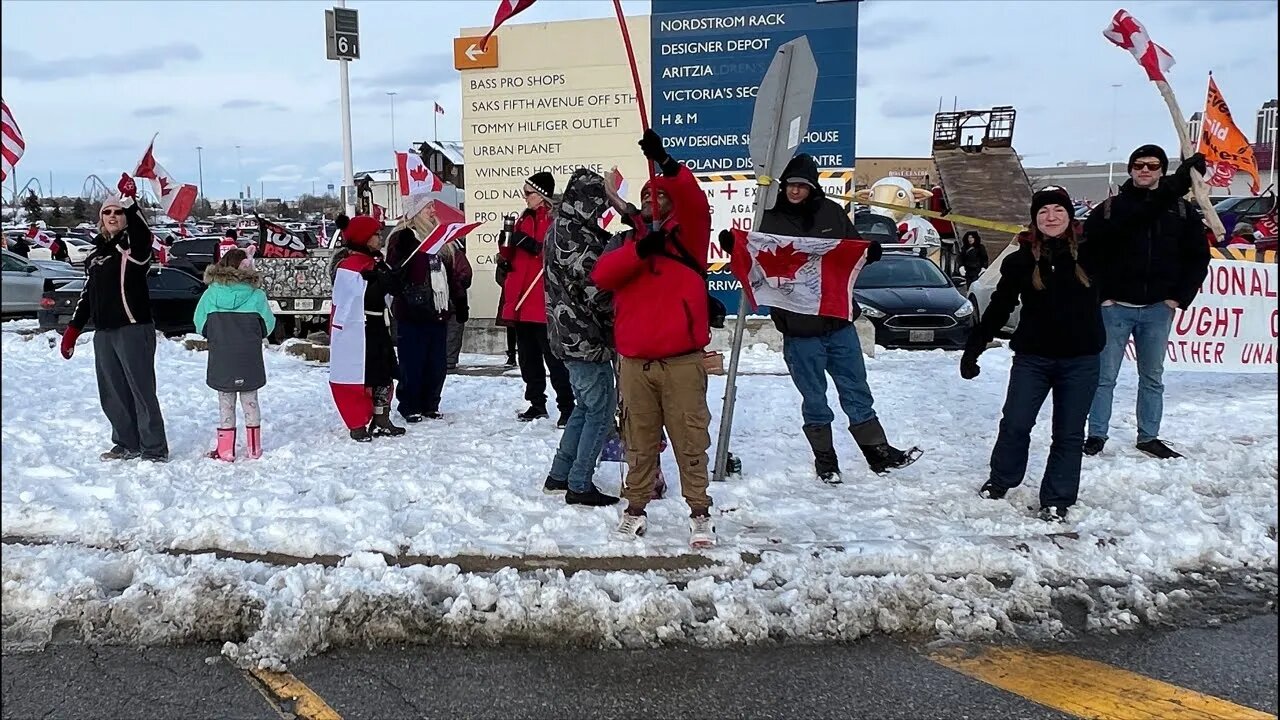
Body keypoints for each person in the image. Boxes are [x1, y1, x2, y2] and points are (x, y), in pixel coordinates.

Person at [719, 154, 917, 484]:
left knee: (857, 390)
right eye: (791, 185)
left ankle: (877, 452)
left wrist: (870, 252)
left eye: (803, 186)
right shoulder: (768, 219)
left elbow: (853, 251)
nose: (796, 191)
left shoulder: (831, 213)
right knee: (814, 398)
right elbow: (753, 257)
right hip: (799, 330)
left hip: (839, 323)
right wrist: (734, 246)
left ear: (813, 188)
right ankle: (825, 459)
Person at [592, 129, 716, 547]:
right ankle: (635, 508)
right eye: (646, 195)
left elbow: (694, 198)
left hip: (681, 362)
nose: (651, 199)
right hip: (635, 364)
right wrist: (640, 251)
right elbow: (602, 277)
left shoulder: (691, 236)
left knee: (690, 439)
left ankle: (699, 512)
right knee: (638, 442)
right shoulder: (628, 242)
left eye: (659, 195)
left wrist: (664, 162)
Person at [961, 186, 1102, 522]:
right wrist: (974, 348)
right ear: (1034, 219)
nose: (1050, 217)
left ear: (1069, 216)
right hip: (1033, 359)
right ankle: (1002, 478)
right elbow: (999, 308)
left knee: (1068, 433)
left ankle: (1057, 498)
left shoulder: (1094, 254)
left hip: (1081, 361)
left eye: (1057, 210)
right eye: (1043, 212)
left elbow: (1135, 219)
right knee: (1015, 422)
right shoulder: (1020, 260)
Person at [1083, 145, 1211, 459]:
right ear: (1130, 169)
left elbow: (1197, 256)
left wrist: (1178, 296)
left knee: (1152, 376)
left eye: (1153, 165)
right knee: (1104, 376)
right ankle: (1096, 434)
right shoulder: (1111, 208)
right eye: (1138, 164)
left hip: (1157, 309)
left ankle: (1148, 436)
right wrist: (1101, 294)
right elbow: (1088, 253)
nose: (1144, 170)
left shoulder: (1181, 211)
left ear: (1161, 171)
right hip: (1115, 308)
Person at [59, 179, 169, 462]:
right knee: (112, 392)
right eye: (107, 213)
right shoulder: (95, 254)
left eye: (117, 213)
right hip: (104, 332)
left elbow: (144, 236)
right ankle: (126, 442)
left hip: (133, 328)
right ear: (100, 219)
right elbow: (87, 294)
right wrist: (73, 330)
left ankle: (154, 448)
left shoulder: (132, 250)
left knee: (141, 390)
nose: (112, 217)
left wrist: (131, 203)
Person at [541, 168, 622, 507]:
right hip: (586, 338)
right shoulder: (580, 238)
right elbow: (598, 290)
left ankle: (559, 474)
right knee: (601, 411)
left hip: (565, 336)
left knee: (584, 407)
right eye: (600, 202)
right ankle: (579, 482)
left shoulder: (558, 227)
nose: (602, 210)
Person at [385, 192, 472, 422]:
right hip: (412, 310)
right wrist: (403, 251)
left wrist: (460, 301)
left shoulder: (441, 240)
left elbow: (451, 274)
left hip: (438, 310)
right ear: (415, 213)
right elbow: (394, 274)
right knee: (412, 361)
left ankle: (431, 403)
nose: (433, 212)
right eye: (428, 208)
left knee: (437, 362)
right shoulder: (403, 238)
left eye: (433, 208)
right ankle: (410, 405)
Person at [498, 172, 575, 425]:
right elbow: (512, 255)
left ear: (541, 195)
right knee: (528, 358)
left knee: (554, 359)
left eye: (528, 192)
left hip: (541, 301)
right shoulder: (523, 218)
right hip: (521, 299)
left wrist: (533, 245)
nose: (524, 196)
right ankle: (536, 402)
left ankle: (566, 406)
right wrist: (505, 247)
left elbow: (555, 251)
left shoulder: (554, 219)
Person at [328, 213, 405, 442]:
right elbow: (351, 300)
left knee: (382, 373)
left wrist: (389, 278)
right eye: (376, 234)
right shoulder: (348, 267)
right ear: (364, 238)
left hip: (375, 326)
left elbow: (388, 292)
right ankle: (357, 422)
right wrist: (374, 282)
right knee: (359, 375)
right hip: (356, 330)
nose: (380, 238)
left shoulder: (376, 263)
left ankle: (382, 417)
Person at [194, 248, 276, 461]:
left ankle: (226, 450)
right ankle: (254, 448)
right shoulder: (257, 295)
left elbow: (199, 322)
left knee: (225, 402)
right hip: (249, 357)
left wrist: (215, 335)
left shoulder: (211, 293)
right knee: (251, 401)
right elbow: (268, 325)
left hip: (222, 356)